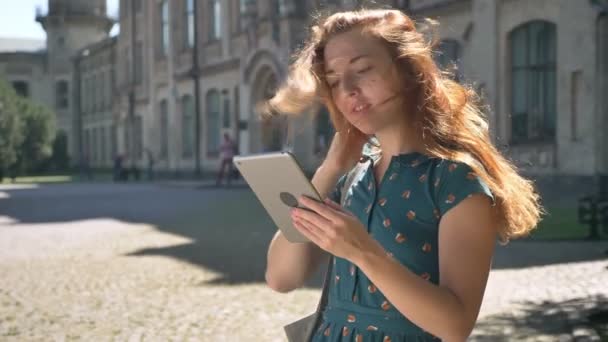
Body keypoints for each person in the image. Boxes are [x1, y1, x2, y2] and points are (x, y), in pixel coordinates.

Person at [262, 9, 543, 342]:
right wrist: (330, 168)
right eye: (335, 81)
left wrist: (362, 251)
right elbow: (281, 278)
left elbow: (455, 326)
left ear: (410, 72)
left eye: (363, 70)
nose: (348, 89)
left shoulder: (456, 182)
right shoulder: (352, 177)